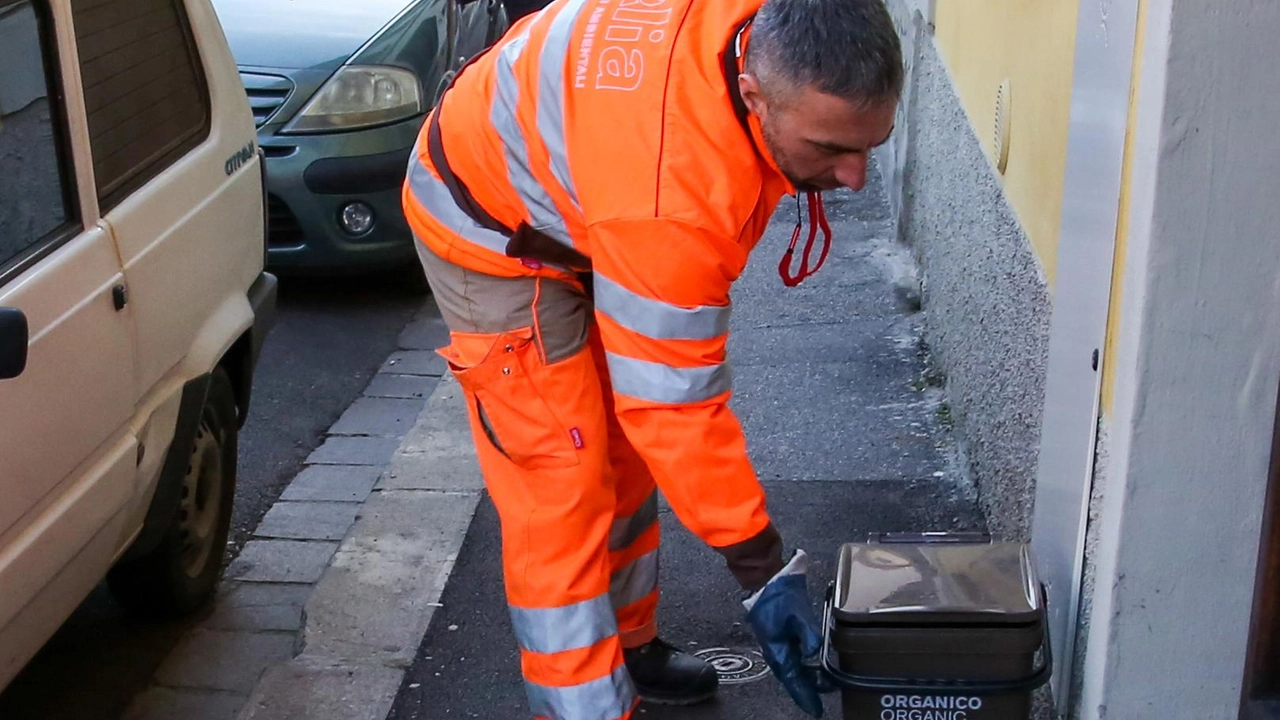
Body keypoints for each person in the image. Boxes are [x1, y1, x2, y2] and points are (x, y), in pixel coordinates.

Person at [401, 0, 902, 715]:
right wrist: (761, 566)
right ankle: (586, 705)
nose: (853, 176)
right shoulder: (672, 193)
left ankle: (630, 645)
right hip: (488, 229)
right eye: (828, 148)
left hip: (584, 199)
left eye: (869, 147)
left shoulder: (760, 33)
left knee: (624, 448)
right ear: (754, 95)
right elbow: (675, 404)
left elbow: (656, 407)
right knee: (563, 484)